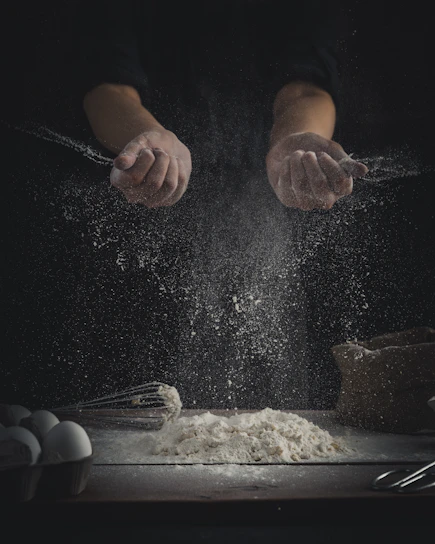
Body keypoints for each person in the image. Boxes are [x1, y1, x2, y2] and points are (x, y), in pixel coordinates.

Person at [74, 0, 368, 211]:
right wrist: (145, 140)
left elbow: (307, 86)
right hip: (136, 196)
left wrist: (297, 141)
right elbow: (108, 85)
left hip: (273, 195)